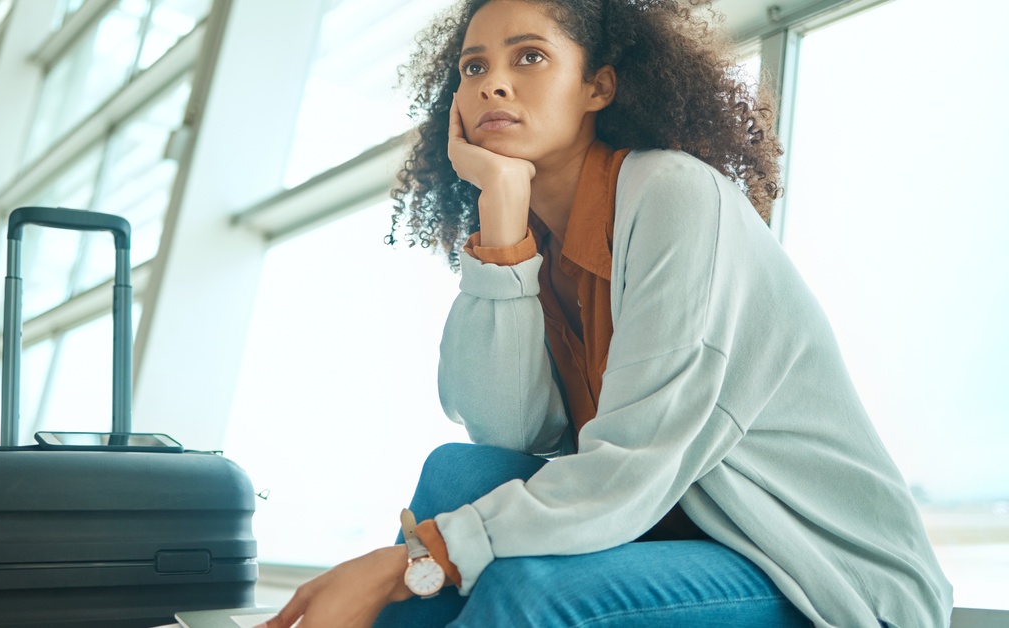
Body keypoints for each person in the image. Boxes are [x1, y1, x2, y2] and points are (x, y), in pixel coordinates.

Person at [260, 0, 953, 626]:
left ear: (599, 86)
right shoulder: (542, 239)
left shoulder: (675, 196)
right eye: (475, 67)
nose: (493, 84)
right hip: (675, 527)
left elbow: (631, 463)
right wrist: (502, 218)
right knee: (455, 473)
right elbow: (507, 429)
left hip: (814, 572)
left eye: (529, 57)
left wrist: (412, 561)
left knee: (524, 593)